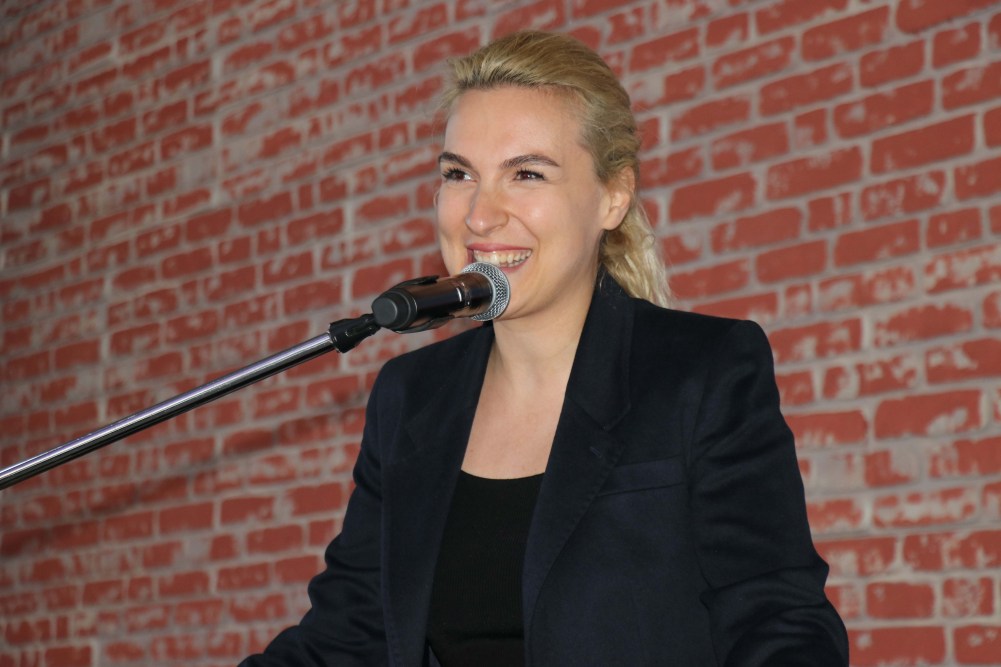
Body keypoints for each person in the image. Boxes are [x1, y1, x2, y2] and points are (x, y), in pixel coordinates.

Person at [240, 31, 849, 666]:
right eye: (458, 174)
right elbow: (345, 638)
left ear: (613, 197)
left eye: (526, 174)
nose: (479, 216)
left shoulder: (702, 370)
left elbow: (781, 626)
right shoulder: (412, 396)